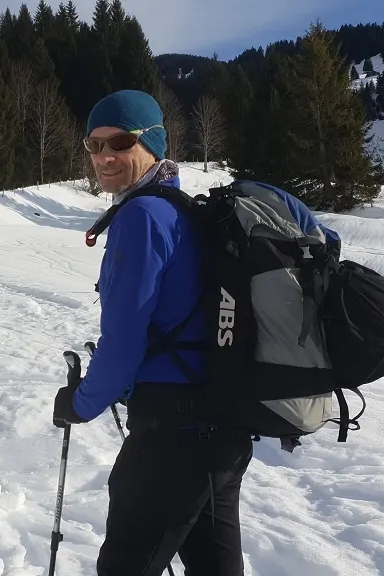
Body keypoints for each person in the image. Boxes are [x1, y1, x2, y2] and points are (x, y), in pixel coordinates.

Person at [51, 90, 254, 575]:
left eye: (119, 142)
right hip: (221, 430)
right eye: (93, 145)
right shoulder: (181, 208)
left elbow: (123, 344)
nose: (104, 157)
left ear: (154, 144)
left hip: (171, 438)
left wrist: (78, 403)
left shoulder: (142, 217)